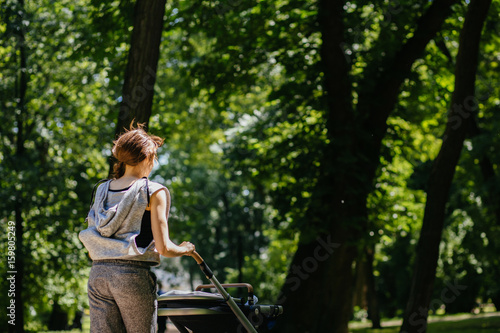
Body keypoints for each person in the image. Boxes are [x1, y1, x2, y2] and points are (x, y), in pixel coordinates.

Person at [79, 124, 195, 333]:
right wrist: (186, 249)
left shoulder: (101, 190)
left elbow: (91, 244)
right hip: (132, 274)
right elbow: (164, 248)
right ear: (147, 157)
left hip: (98, 274)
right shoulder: (152, 191)